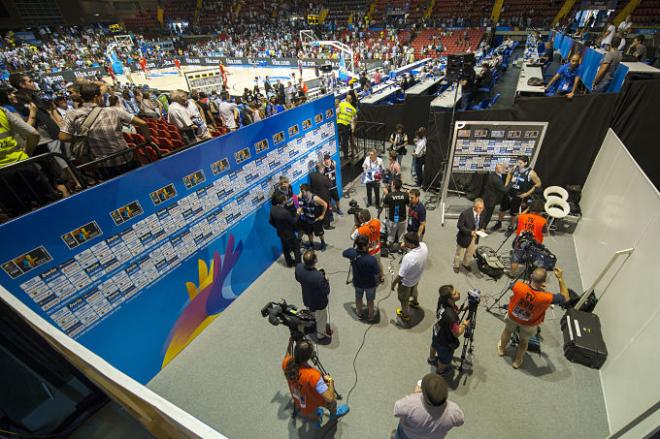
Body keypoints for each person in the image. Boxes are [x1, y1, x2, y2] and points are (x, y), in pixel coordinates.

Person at [59, 83, 147, 178]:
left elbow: (63, 137)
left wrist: (83, 135)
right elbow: (143, 124)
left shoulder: (71, 114)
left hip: (101, 164)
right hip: (124, 158)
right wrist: (148, 140)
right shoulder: (113, 111)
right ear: (97, 97)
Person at [498, 267, 570, 369]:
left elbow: (512, 285)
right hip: (529, 324)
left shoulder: (518, 286)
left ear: (531, 276)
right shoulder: (546, 297)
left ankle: (501, 349)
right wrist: (560, 278)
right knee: (524, 341)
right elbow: (566, 297)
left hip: (512, 317)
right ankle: (517, 361)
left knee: (507, 332)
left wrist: (531, 286)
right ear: (544, 281)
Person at [282, 338, 349, 426]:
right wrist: (330, 381)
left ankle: (317, 421)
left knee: (310, 411)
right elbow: (330, 398)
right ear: (309, 356)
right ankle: (334, 414)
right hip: (316, 398)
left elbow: (287, 354)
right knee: (332, 403)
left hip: (301, 398)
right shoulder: (313, 376)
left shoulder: (287, 363)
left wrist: (289, 344)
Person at [393, 374, 464, 439]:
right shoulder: (454, 411)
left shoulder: (410, 403)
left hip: (407, 435)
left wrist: (415, 396)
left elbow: (397, 410)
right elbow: (460, 421)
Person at [491, 155, 542, 231]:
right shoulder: (515, 167)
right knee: (502, 209)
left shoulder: (531, 173)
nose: (518, 164)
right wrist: (506, 184)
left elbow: (538, 183)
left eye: (520, 163)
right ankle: (499, 223)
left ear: (525, 163)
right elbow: (509, 174)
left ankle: (511, 227)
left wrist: (527, 193)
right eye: (518, 162)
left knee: (514, 212)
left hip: (518, 195)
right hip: (509, 192)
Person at [429, 285, 470, 377]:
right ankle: (440, 371)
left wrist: (461, 309)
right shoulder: (451, 317)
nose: (458, 292)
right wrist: (464, 324)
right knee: (444, 359)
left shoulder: (442, 302)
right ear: (449, 299)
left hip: (437, 331)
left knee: (434, 345)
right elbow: (457, 333)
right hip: (445, 340)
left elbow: (451, 311)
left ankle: (431, 358)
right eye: (455, 293)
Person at [342, 235, 381, 322]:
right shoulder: (371, 260)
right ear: (365, 246)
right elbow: (377, 272)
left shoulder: (352, 253)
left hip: (357, 282)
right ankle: (370, 315)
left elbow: (344, 253)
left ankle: (359, 312)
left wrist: (354, 247)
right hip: (370, 284)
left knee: (358, 298)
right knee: (370, 300)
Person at [295, 250, 331, 343]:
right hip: (319, 303)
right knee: (321, 319)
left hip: (307, 298)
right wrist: (326, 280)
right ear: (315, 261)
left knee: (311, 313)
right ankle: (321, 335)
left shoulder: (298, 268)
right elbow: (326, 291)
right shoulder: (319, 277)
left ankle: (312, 324)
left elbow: (298, 278)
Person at [391, 232, 429, 323]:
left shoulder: (408, 258)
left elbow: (400, 275)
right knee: (415, 290)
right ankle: (415, 303)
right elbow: (414, 252)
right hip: (417, 277)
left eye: (405, 242)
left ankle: (405, 315)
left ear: (411, 244)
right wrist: (407, 248)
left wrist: (393, 284)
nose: (403, 243)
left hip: (406, 283)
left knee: (404, 300)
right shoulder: (424, 246)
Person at [509, 199, 548, 276]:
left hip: (521, 241)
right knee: (534, 258)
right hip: (535, 243)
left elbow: (517, 218)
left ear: (530, 208)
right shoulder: (543, 220)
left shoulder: (522, 217)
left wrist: (527, 209)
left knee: (515, 259)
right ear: (540, 210)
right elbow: (545, 232)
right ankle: (533, 275)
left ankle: (512, 274)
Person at [351, 208, 384, 282]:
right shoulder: (377, 222)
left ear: (362, 219)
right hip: (377, 249)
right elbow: (372, 219)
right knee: (379, 263)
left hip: (367, 252)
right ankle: (381, 277)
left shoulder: (361, 230)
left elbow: (352, 237)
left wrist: (356, 225)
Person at [269, 191, 301, 267]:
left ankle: (289, 263)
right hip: (289, 234)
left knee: (286, 249)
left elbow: (271, 221)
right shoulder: (285, 212)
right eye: (285, 199)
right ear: (282, 201)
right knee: (296, 248)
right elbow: (293, 221)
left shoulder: (272, 209)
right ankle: (298, 265)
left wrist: (278, 227)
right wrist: (298, 213)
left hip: (281, 233)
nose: (287, 200)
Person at [453, 198, 484, 274]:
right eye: (480, 208)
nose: (482, 209)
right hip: (464, 237)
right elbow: (460, 226)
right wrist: (470, 232)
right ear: (475, 207)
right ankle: (456, 265)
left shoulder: (482, 212)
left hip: (475, 237)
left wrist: (483, 228)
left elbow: (483, 222)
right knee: (459, 253)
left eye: (482, 207)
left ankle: (465, 263)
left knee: (470, 252)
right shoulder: (465, 213)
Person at [298, 184, 328, 250]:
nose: (301, 192)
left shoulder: (315, 198)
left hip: (316, 219)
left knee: (319, 233)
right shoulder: (302, 197)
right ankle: (311, 244)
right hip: (307, 219)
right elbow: (299, 202)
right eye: (301, 191)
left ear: (308, 191)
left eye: (302, 191)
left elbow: (325, 204)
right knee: (309, 233)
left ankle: (323, 243)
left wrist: (322, 215)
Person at [480, 163, 509, 230]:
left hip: (487, 197)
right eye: (502, 168)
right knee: (487, 216)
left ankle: (481, 227)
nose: (504, 169)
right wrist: (512, 182)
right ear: (498, 169)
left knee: (484, 214)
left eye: (503, 168)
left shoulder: (492, 174)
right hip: (491, 200)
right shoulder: (497, 180)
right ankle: (482, 229)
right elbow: (505, 190)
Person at [383, 178, 409, 247]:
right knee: (401, 237)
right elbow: (408, 205)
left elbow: (385, 206)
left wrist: (386, 194)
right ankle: (401, 247)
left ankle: (390, 247)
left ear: (394, 186)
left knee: (391, 236)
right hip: (402, 219)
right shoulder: (405, 195)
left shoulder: (389, 195)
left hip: (393, 219)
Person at [309, 162, 334, 229]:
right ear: (321, 169)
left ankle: (321, 223)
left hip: (316, 197)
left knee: (319, 210)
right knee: (327, 211)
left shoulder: (311, 175)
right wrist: (330, 179)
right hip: (324, 197)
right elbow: (330, 185)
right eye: (323, 169)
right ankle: (327, 225)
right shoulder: (324, 178)